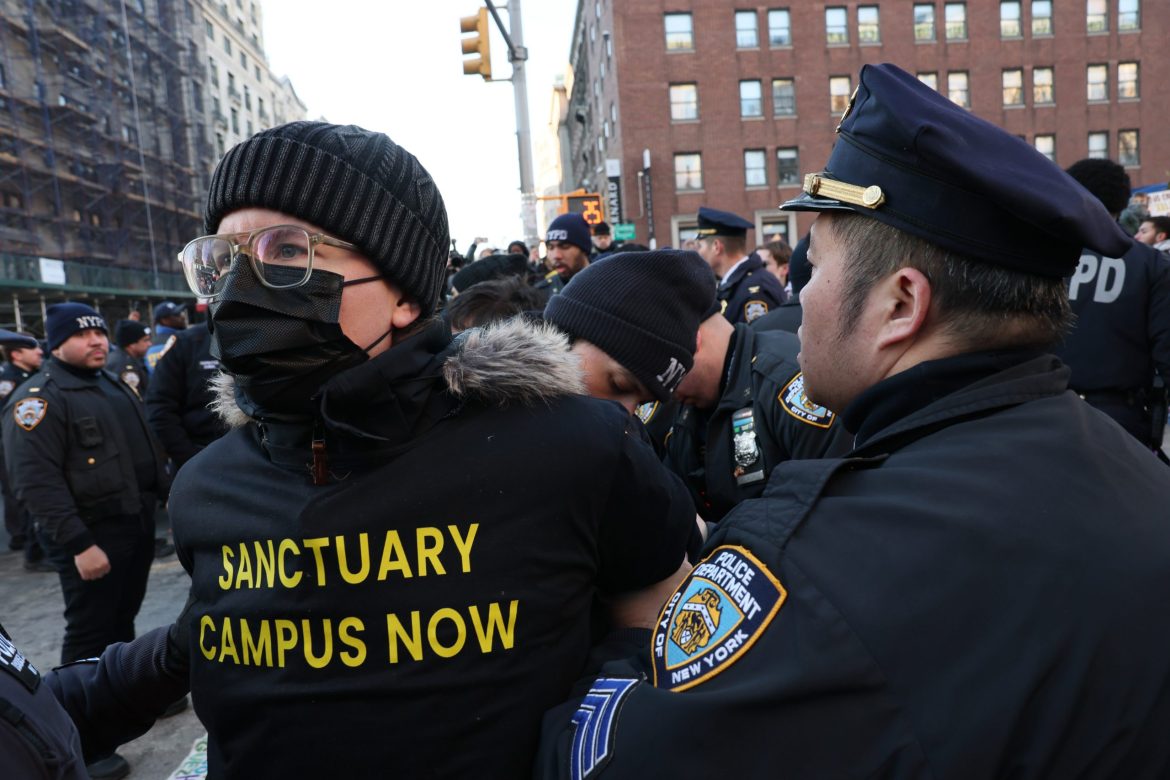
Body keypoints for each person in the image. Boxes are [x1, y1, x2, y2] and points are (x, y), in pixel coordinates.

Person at [538, 62, 1170, 778]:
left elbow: (599, 759)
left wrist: (634, 622)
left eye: (815, 267)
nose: (798, 298)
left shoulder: (816, 562)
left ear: (900, 304)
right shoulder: (1138, 475)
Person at [162, 121, 698, 778]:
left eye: (287, 249)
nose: (240, 285)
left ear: (405, 295)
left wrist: (585, 745)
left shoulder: (574, 445)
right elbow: (192, 642)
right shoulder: (204, 487)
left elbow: (662, 616)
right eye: (222, 259)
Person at [2, 303, 167, 780]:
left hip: (131, 525)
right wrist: (78, 544)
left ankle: (130, 691)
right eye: (82, 335)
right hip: (90, 536)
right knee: (91, 630)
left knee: (122, 617)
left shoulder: (109, 382)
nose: (96, 341)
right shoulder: (40, 399)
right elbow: (35, 484)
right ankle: (83, 739)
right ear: (57, 344)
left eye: (99, 332)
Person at [661, 301, 851, 522]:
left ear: (694, 341)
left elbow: (830, 509)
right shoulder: (688, 408)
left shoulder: (786, 382)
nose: (664, 391)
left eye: (665, 370)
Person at [1055, 158, 1170, 454]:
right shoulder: (1151, 264)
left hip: (1042, 410)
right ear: (1121, 202)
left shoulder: (1042, 255)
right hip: (1121, 421)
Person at [144, 321, 228, 471]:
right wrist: (192, 461)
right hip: (201, 459)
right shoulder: (187, 342)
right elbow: (160, 409)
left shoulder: (260, 335)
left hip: (257, 459)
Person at [695, 206, 786, 325]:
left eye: (700, 246)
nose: (698, 252)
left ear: (716, 247)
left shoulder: (755, 290)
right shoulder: (738, 284)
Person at [751, 235, 809, 334]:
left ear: (784, 269)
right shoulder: (753, 294)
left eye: (764, 265)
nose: (758, 271)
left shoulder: (800, 297)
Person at [539, 212, 592, 295]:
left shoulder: (607, 285)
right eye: (550, 247)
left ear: (583, 249)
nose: (556, 255)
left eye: (564, 246)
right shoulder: (541, 294)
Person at [105, 319, 151, 397]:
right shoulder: (126, 367)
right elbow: (136, 398)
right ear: (132, 344)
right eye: (145, 340)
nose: (149, 344)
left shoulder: (125, 359)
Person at [143, 301, 186, 374]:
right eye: (177, 315)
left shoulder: (153, 343)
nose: (182, 317)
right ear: (165, 320)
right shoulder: (176, 341)